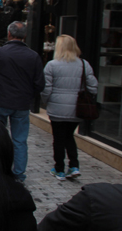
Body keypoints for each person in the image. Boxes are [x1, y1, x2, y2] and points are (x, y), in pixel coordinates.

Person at [0, 21, 45, 181]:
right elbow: (40, 84)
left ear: (9, 34)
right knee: (20, 140)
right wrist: (28, 95)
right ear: (25, 36)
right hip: (21, 104)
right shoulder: (33, 56)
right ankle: (18, 173)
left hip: (1, 101)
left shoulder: (1, 52)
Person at [41, 35, 97, 180]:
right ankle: (74, 166)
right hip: (77, 109)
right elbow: (93, 87)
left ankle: (59, 169)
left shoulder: (52, 65)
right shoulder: (84, 64)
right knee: (69, 137)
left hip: (57, 109)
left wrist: (46, 101)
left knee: (58, 139)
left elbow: (46, 89)